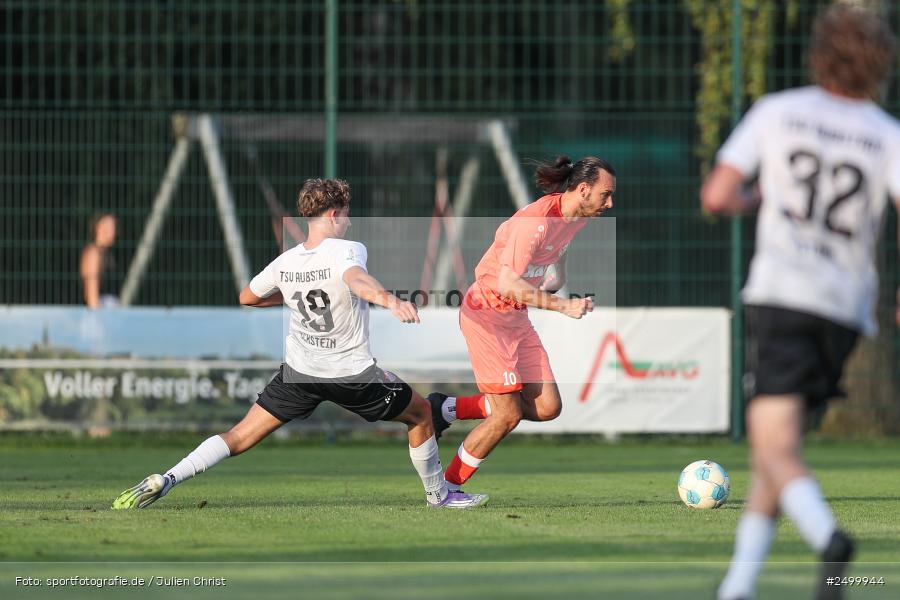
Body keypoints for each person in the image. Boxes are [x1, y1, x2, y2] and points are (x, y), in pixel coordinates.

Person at [112, 178, 488, 510]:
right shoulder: (347, 249)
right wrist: (390, 301)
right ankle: (439, 496)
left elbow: (247, 297)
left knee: (239, 436)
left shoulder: (286, 261)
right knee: (420, 414)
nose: (349, 222)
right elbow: (357, 280)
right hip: (350, 374)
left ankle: (168, 478)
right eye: (347, 215)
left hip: (300, 374)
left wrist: (292, 296)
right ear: (334, 214)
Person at [701, 5, 899, 600]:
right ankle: (738, 586)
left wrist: (755, 200)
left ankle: (829, 539)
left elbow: (717, 194)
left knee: (772, 442)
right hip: (846, 306)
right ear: (879, 66)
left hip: (785, 294)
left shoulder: (778, 111)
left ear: (819, 56)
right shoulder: (887, 134)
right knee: (778, 447)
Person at [428, 155, 615, 493]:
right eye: (606, 194)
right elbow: (507, 284)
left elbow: (557, 251)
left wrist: (558, 277)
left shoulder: (575, 217)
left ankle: (445, 408)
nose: (610, 203)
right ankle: (447, 489)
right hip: (487, 316)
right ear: (584, 190)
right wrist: (563, 305)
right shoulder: (536, 221)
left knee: (548, 407)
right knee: (506, 415)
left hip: (516, 317)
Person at [80, 213, 118, 308]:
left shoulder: (106, 254)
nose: (112, 231)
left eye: (113, 227)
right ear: (97, 227)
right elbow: (91, 294)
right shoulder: (93, 254)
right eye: (108, 227)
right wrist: (97, 314)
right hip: (99, 312)